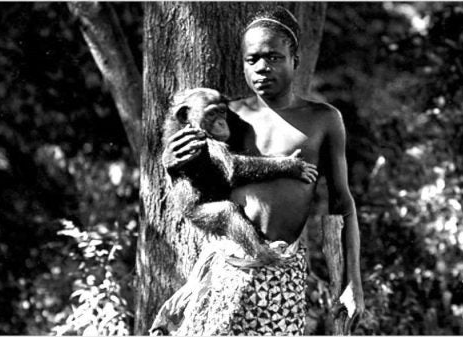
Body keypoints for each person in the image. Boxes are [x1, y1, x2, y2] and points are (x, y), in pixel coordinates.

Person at [152, 7, 364, 335]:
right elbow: (202, 181)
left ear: (295, 58)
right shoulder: (228, 116)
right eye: (252, 60)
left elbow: (342, 204)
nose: (262, 68)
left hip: (284, 267)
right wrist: (171, 166)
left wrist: (353, 283)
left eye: (274, 57)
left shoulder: (323, 119)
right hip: (232, 264)